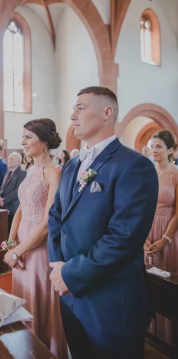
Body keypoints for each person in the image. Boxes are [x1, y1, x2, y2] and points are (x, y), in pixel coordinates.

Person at [48, 86, 158, 359]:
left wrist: (70, 273)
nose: (72, 115)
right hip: (71, 296)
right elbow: (56, 218)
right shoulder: (72, 166)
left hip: (111, 303)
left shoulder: (133, 166)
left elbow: (123, 237)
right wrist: (58, 267)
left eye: (80, 108)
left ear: (107, 112)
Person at [3, 118, 68, 359]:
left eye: (28, 137)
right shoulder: (31, 170)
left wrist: (18, 251)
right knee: (24, 301)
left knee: (39, 301)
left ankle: (46, 352)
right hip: (21, 242)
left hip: (39, 247)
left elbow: (48, 223)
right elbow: (20, 209)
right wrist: (11, 243)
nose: (23, 141)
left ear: (44, 142)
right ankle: (26, 351)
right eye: (23, 136)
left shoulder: (54, 172)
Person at [144, 130, 178, 345]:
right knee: (147, 282)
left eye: (159, 146)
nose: (154, 150)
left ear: (171, 150)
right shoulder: (146, 173)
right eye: (152, 146)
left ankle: (170, 339)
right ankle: (151, 334)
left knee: (166, 283)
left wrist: (165, 239)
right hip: (145, 233)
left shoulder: (175, 174)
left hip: (169, 232)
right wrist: (142, 238)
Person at [0, 152, 26, 228]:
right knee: (4, 230)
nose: (8, 160)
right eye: (8, 159)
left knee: (11, 230)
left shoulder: (22, 173)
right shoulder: (7, 172)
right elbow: (1, 188)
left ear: (18, 161)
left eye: (11, 159)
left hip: (13, 207)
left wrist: (4, 201)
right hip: (3, 206)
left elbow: (17, 190)